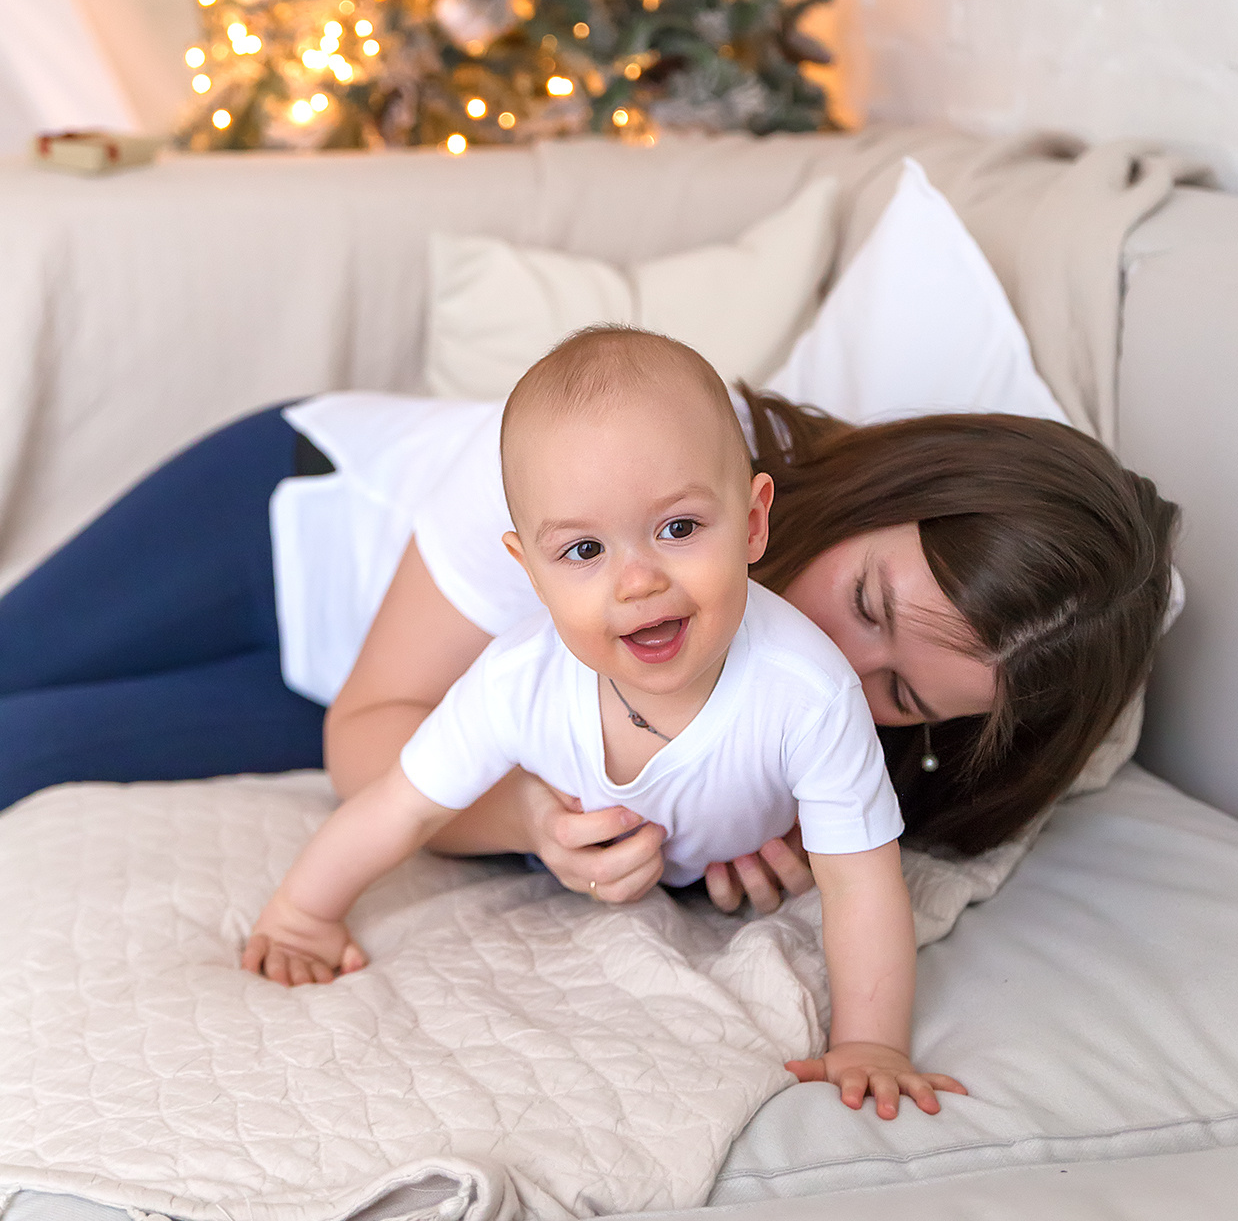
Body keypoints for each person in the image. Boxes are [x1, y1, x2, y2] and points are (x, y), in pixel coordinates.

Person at [0, 355, 1177, 916]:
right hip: (283, 527)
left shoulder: (809, 725)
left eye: (899, 696)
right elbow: (373, 735)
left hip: (318, 694)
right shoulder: (646, 463)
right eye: (865, 603)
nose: (837, 656)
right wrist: (526, 821)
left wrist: (711, 826)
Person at [243, 328, 969, 1121]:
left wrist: (870, 1043)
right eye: (584, 549)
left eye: (679, 529)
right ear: (530, 571)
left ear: (754, 521)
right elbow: (398, 806)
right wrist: (302, 915)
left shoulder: (811, 693)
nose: (637, 581)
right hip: (308, 494)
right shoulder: (519, 680)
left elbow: (862, 881)